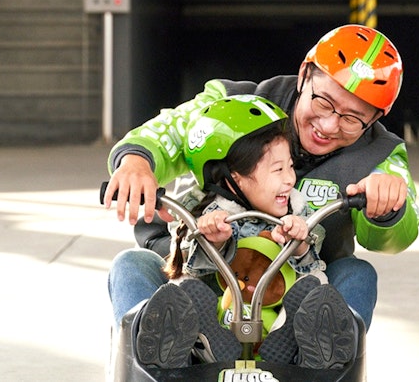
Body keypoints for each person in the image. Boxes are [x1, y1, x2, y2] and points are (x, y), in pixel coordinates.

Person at [104, 25, 419, 348]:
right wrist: (136, 161)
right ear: (304, 76)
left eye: (352, 119)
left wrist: (387, 205)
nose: (328, 126)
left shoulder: (382, 155)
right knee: (130, 265)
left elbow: (399, 232)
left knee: (358, 273)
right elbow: (173, 130)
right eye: (323, 102)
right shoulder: (233, 105)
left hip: (301, 290)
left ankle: (326, 351)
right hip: (201, 274)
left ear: (376, 118)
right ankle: (156, 346)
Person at [141, 94, 353, 369]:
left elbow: (311, 267)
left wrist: (299, 242)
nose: (290, 179)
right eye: (278, 169)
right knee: (184, 289)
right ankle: (190, 350)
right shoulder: (206, 215)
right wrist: (213, 242)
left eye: (290, 166)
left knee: (316, 287)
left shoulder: (298, 212)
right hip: (220, 324)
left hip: (279, 328)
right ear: (235, 178)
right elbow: (185, 269)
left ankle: (306, 354)